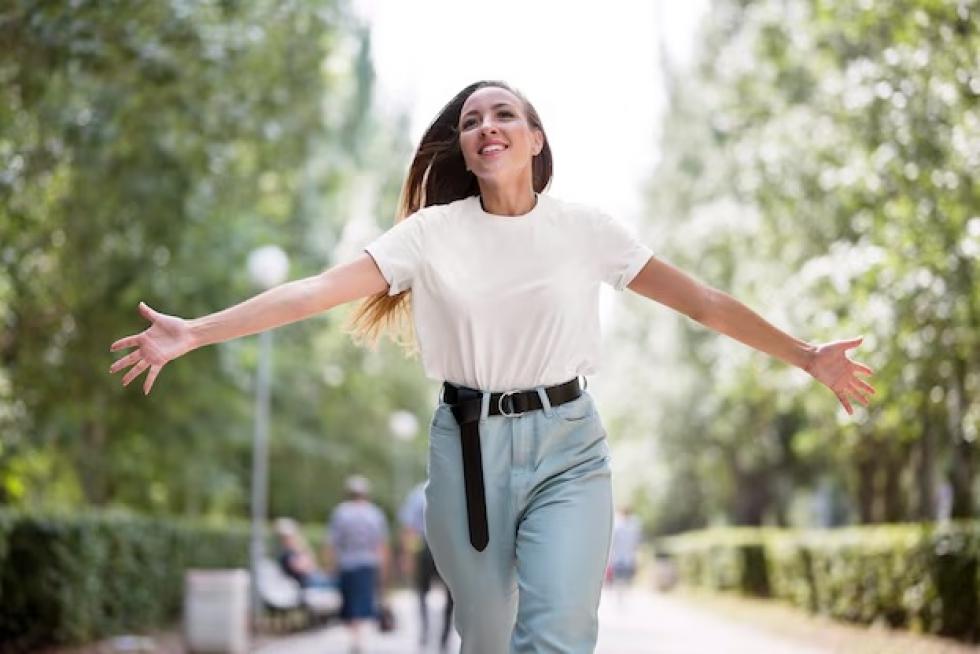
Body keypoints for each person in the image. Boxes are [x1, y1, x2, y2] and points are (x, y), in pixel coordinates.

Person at [110, 80, 875, 653]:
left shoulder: (587, 229)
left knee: (559, 630)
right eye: (472, 121)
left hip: (571, 448)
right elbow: (317, 290)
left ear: (536, 139)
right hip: (466, 449)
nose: (486, 127)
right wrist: (196, 332)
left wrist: (807, 355)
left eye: (503, 113)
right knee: (486, 638)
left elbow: (703, 302)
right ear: (465, 149)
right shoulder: (430, 234)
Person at [327, 475, 390, 654]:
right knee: (363, 601)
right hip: (368, 564)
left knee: (350, 601)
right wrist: (383, 569)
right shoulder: (375, 514)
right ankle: (359, 636)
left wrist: (331, 565)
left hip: (347, 564)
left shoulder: (340, 513)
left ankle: (356, 637)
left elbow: (333, 543)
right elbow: (381, 545)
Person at [399, 481, 454, 651]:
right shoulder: (452, 489)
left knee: (422, 592)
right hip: (446, 546)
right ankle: (443, 637)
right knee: (450, 594)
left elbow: (409, 528)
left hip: (425, 548)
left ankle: (425, 632)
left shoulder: (417, 493)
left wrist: (407, 556)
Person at [273, 517, 335, 590]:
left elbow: (312, 563)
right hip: (307, 582)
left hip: (313, 579)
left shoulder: (295, 551)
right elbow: (302, 568)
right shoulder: (287, 554)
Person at [606, 506, 642, 605]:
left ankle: (620, 595)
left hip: (621, 556)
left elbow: (613, 540)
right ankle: (621, 595)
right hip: (625, 556)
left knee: (621, 577)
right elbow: (636, 541)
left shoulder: (619, 524)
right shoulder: (633, 525)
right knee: (622, 577)